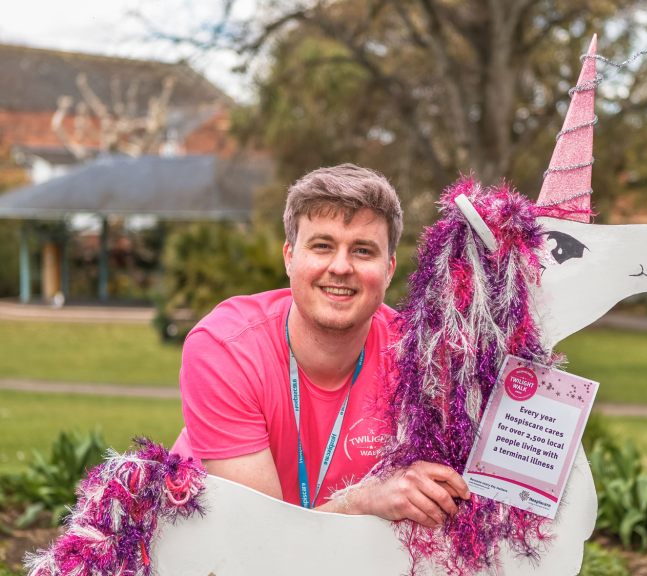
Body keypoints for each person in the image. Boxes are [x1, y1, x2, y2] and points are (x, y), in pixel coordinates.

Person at [175, 164, 469, 528]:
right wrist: (361, 500)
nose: (341, 267)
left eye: (362, 251)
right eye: (322, 246)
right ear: (289, 257)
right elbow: (257, 541)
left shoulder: (419, 357)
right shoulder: (226, 348)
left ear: (389, 268)